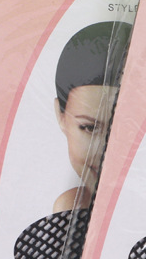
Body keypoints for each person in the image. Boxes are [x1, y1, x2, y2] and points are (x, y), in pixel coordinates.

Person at [53, 21, 132, 212]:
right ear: (60, 115)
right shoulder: (70, 208)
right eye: (89, 127)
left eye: (124, 128)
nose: (105, 151)